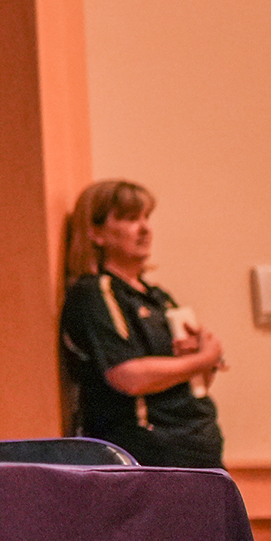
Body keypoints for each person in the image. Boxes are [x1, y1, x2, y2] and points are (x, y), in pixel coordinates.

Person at [59, 179, 226, 467]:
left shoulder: (159, 298)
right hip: (147, 455)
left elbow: (197, 381)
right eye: (130, 219)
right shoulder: (95, 293)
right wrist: (202, 359)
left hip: (198, 446)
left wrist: (204, 360)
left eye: (146, 217)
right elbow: (128, 376)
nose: (145, 228)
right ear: (96, 233)